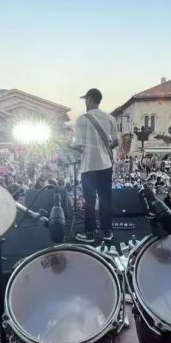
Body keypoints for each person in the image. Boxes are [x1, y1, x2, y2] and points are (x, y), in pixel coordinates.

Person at [72, 88, 117, 243]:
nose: (85, 102)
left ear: (90, 99)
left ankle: (90, 234)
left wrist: (69, 147)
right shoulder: (110, 118)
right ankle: (107, 232)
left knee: (90, 202)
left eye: (86, 99)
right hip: (105, 165)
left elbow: (78, 145)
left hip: (89, 167)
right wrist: (104, 149)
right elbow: (116, 141)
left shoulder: (82, 119)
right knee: (106, 199)